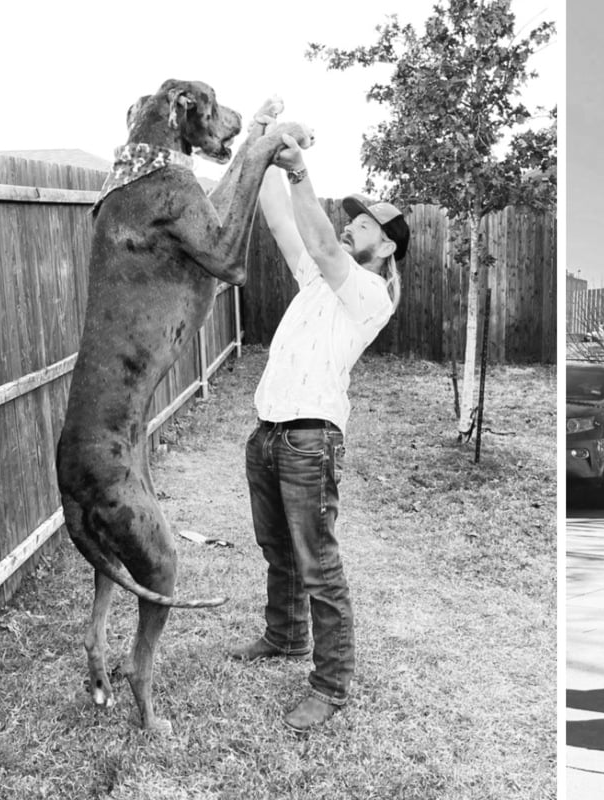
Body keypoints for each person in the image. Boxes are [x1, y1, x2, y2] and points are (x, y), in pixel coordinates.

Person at [227, 102, 410, 733]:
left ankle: (331, 685)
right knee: (276, 547)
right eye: (353, 216)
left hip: (310, 440)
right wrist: (262, 146)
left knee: (318, 564)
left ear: (386, 247)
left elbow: (327, 246)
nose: (353, 224)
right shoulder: (317, 282)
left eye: (365, 224)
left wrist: (302, 168)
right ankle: (284, 636)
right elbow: (282, 221)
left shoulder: (368, 293)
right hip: (269, 432)